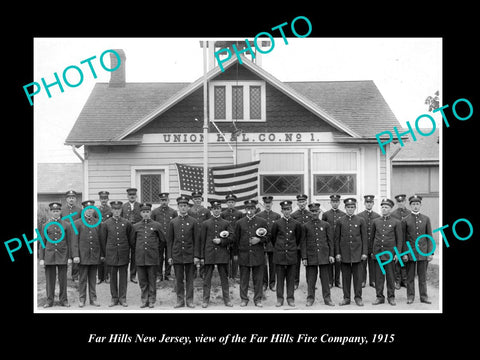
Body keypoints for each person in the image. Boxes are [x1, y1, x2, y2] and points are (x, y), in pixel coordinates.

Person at [233, 200, 268, 307]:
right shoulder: (239, 223)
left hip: (258, 254)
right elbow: (236, 239)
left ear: (255, 209)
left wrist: (259, 240)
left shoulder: (262, 221)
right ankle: (244, 299)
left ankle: (258, 299)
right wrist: (235, 254)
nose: (250, 211)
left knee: (258, 279)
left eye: (252, 209)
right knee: (244, 279)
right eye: (248, 209)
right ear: (245, 209)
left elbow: (268, 237)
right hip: (244, 254)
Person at [199, 200, 234, 308]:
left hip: (222, 254)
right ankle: (205, 300)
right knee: (207, 279)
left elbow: (232, 237)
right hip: (209, 254)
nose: (216, 210)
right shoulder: (205, 223)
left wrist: (222, 241)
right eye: (214, 209)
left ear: (221, 210)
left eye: (218, 209)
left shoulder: (226, 223)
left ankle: (227, 300)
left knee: (224, 278)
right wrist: (201, 257)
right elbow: (202, 241)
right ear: (211, 210)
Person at [371, 198, 405, 306]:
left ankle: (391, 297)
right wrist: (373, 252)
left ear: (390, 208)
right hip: (379, 254)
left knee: (391, 277)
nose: (384, 209)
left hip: (390, 255)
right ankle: (379, 297)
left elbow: (399, 240)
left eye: (386, 207)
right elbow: (372, 238)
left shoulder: (396, 222)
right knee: (379, 278)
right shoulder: (376, 221)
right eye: (383, 207)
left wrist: (397, 253)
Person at [168, 196, 200, 308]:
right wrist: (169, 256)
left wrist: (196, 256)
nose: (183, 208)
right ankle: (180, 300)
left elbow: (196, 240)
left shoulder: (193, 221)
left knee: (190, 280)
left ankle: (190, 300)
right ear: (178, 207)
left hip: (190, 255)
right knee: (179, 279)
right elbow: (170, 241)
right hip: (177, 255)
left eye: (185, 206)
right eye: (181, 206)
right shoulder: (173, 222)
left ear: (188, 207)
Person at [334, 198, 368, 306]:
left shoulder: (360, 220)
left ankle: (358, 297)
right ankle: (346, 298)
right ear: (345, 208)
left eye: (352, 207)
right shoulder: (340, 221)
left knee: (358, 278)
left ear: (355, 208)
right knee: (345, 277)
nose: (350, 209)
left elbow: (364, 238)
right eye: (348, 207)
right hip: (345, 254)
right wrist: (338, 253)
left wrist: (364, 253)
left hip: (357, 254)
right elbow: (337, 239)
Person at [100, 200, 133, 307]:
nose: (116, 211)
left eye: (118, 209)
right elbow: (103, 240)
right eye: (114, 209)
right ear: (111, 210)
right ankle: (114, 298)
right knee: (113, 277)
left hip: (123, 253)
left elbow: (130, 239)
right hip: (111, 254)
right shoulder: (106, 223)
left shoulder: (126, 223)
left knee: (123, 277)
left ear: (121, 210)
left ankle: (123, 298)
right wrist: (104, 255)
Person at [71, 200, 104, 307]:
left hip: (94, 255)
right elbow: (74, 241)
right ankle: (82, 299)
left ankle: (93, 299)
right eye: (87, 209)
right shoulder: (77, 223)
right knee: (82, 279)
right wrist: (75, 255)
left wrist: (101, 254)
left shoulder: (98, 223)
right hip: (82, 256)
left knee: (93, 279)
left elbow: (101, 240)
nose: (89, 211)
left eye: (91, 209)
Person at [301, 203, 335, 306]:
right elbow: (303, 243)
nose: (314, 213)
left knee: (325, 279)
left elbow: (330, 241)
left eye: (316, 211)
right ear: (310, 213)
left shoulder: (325, 225)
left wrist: (331, 255)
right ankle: (310, 298)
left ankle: (327, 299)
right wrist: (304, 257)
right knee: (311, 279)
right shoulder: (305, 226)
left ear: (319, 212)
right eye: (312, 211)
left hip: (324, 256)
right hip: (311, 257)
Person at [270, 200, 302, 307]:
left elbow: (297, 238)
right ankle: (280, 299)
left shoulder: (296, 224)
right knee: (280, 278)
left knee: (291, 278)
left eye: (288, 209)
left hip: (292, 255)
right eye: (284, 209)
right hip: (279, 255)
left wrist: (291, 248)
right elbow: (273, 238)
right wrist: (280, 248)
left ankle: (290, 298)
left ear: (291, 210)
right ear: (281, 211)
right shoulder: (277, 223)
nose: (287, 211)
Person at [39, 202, 72, 308]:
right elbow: (42, 243)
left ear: (60, 211)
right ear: (50, 212)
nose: (56, 213)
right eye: (53, 211)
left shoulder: (66, 225)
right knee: (50, 280)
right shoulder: (45, 226)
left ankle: (64, 300)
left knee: (63, 280)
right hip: (49, 256)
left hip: (62, 255)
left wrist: (70, 257)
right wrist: (41, 258)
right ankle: (49, 301)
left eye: (57, 211)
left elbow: (69, 242)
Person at [402, 195, 433, 304]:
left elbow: (429, 237)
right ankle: (410, 297)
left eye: (417, 204)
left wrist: (430, 253)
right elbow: (403, 238)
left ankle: (424, 297)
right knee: (410, 277)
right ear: (410, 205)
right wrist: (404, 254)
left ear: (420, 205)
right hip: (410, 253)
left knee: (422, 277)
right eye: (413, 204)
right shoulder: (405, 220)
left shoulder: (426, 219)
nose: (415, 206)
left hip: (423, 253)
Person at [151, 192, 177, 281]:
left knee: (169, 256)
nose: (164, 202)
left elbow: (175, 225)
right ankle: (158, 275)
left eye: (165, 200)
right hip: (159, 238)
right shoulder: (154, 212)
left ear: (168, 200)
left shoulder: (173, 212)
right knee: (159, 256)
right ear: (159, 201)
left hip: (169, 238)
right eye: (162, 200)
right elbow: (152, 225)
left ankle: (168, 274)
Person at [256, 195, 281, 292]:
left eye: (269, 203)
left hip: (273, 244)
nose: (268, 205)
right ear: (263, 204)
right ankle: (264, 283)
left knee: (273, 264)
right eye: (266, 203)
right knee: (263, 264)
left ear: (272, 204)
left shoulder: (277, 216)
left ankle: (272, 283)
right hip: (262, 244)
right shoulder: (259, 216)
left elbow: (279, 231)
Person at [322, 194, 345, 288]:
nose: (335, 203)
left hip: (339, 241)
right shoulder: (326, 214)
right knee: (330, 261)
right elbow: (322, 227)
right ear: (330, 203)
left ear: (339, 202)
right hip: (329, 240)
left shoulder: (343, 214)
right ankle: (330, 281)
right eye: (333, 202)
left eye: (336, 202)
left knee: (338, 261)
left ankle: (337, 281)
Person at [357, 195, 381, 288]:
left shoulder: (377, 216)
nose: (369, 204)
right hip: (363, 242)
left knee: (373, 262)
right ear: (364, 203)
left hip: (374, 242)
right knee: (363, 262)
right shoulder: (359, 216)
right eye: (367, 202)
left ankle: (373, 281)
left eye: (370, 202)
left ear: (373, 203)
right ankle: (362, 280)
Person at [121, 188, 142, 284]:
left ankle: (133, 275)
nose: (132, 196)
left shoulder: (140, 206)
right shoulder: (123, 206)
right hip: (125, 232)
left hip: (136, 232)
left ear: (136, 196)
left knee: (134, 253)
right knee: (125, 252)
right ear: (127, 196)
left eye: (133, 195)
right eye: (130, 195)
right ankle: (123, 274)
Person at [291, 194, 313, 289]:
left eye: (303, 201)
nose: (301, 203)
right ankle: (295, 282)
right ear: (297, 203)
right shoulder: (293, 215)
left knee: (310, 264)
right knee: (296, 265)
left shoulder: (310, 214)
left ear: (306, 202)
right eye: (300, 202)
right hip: (297, 244)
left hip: (308, 244)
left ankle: (310, 282)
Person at [221, 193, 244, 281]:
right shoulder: (223, 214)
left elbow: (241, 226)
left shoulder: (239, 213)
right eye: (229, 202)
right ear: (226, 203)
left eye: (232, 202)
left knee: (235, 256)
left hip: (236, 239)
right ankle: (227, 274)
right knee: (226, 256)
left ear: (235, 203)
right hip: (226, 239)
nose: (230, 204)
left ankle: (234, 274)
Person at [188, 191, 211, 279]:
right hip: (192, 234)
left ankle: (203, 271)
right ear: (192, 200)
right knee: (193, 251)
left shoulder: (206, 211)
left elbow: (209, 223)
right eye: (195, 199)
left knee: (203, 252)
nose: (197, 200)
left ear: (201, 199)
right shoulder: (190, 211)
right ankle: (193, 272)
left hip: (203, 234)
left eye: (199, 199)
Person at [61, 190, 82, 282]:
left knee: (75, 253)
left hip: (76, 234)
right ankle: (63, 275)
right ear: (66, 199)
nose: (71, 199)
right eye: (69, 198)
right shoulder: (62, 210)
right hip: (65, 234)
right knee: (64, 253)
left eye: (73, 197)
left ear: (76, 199)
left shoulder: (79, 210)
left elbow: (81, 223)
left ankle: (75, 275)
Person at [391, 194, 411, 289]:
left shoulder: (410, 213)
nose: (400, 203)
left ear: (405, 201)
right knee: (397, 261)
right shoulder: (393, 214)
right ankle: (397, 281)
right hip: (396, 240)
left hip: (407, 240)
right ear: (396, 203)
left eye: (402, 201)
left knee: (406, 259)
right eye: (398, 202)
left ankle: (405, 280)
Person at [97, 191, 112, 285]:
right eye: (102, 198)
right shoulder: (96, 210)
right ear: (99, 199)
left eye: (105, 198)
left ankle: (107, 275)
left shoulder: (110, 210)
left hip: (108, 234)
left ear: (108, 199)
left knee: (107, 254)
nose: (103, 200)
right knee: (99, 254)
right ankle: (99, 277)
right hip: (98, 234)